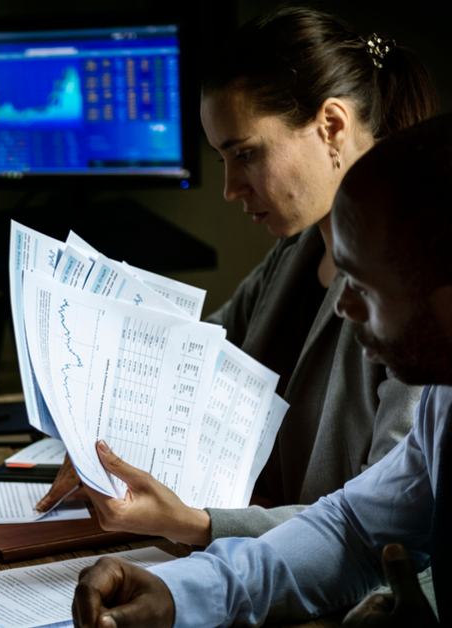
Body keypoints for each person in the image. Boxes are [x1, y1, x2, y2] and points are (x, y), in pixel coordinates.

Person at [34, 7, 438, 546]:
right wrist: (99, 438)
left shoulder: (419, 291)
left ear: (332, 127)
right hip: (259, 568)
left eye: (246, 155)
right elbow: (194, 358)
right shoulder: (294, 254)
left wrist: (196, 525)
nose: (229, 189)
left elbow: (385, 523)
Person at [70, 110, 452, 628]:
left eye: (364, 288)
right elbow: (356, 529)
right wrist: (179, 594)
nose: (344, 308)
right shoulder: (441, 397)